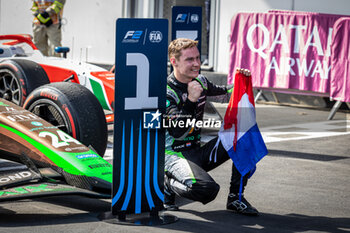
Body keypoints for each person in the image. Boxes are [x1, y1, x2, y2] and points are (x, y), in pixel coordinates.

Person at [164, 38, 258, 216]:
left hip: (196, 151)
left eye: (198, 58)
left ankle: (235, 197)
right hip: (173, 155)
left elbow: (226, 95)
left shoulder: (201, 81)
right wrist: (191, 100)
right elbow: (177, 131)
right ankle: (167, 184)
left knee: (243, 138)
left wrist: (241, 81)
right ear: (174, 61)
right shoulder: (165, 91)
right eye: (190, 60)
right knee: (208, 189)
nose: (197, 64)